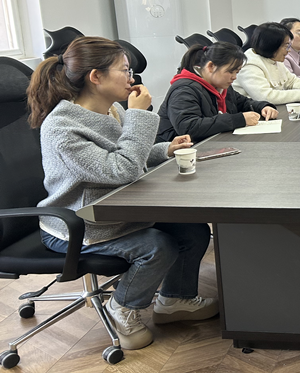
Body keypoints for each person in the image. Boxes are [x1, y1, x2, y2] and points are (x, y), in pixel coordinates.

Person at [27, 36, 218, 351]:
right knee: (157, 246)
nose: (132, 78)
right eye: (125, 70)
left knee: (192, 231)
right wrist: (140, 116)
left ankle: (174, 300)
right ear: (96, 76)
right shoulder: (63, 129)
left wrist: (165, 150)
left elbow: (127, 154)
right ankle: (123, 308)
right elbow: (120, 169)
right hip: (79, 224)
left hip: (115, 210)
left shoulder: (110, 109)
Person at [156, 42, 278, 144]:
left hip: (212, 144)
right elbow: (189, 127)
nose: (234, 77)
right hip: (178, 155)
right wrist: (239, 119)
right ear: (211, 67)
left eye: (237, 72)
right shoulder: (184, 90)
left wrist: (263, 107)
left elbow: (243, 102)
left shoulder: (221, 85)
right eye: (230, 72)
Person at [233, 22, 300, 105]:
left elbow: (291, 81)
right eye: (286, 46)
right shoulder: (249, 64)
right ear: (272, 45)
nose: (289, 50)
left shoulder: (274, 58)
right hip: (255, 112)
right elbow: (266, 96)